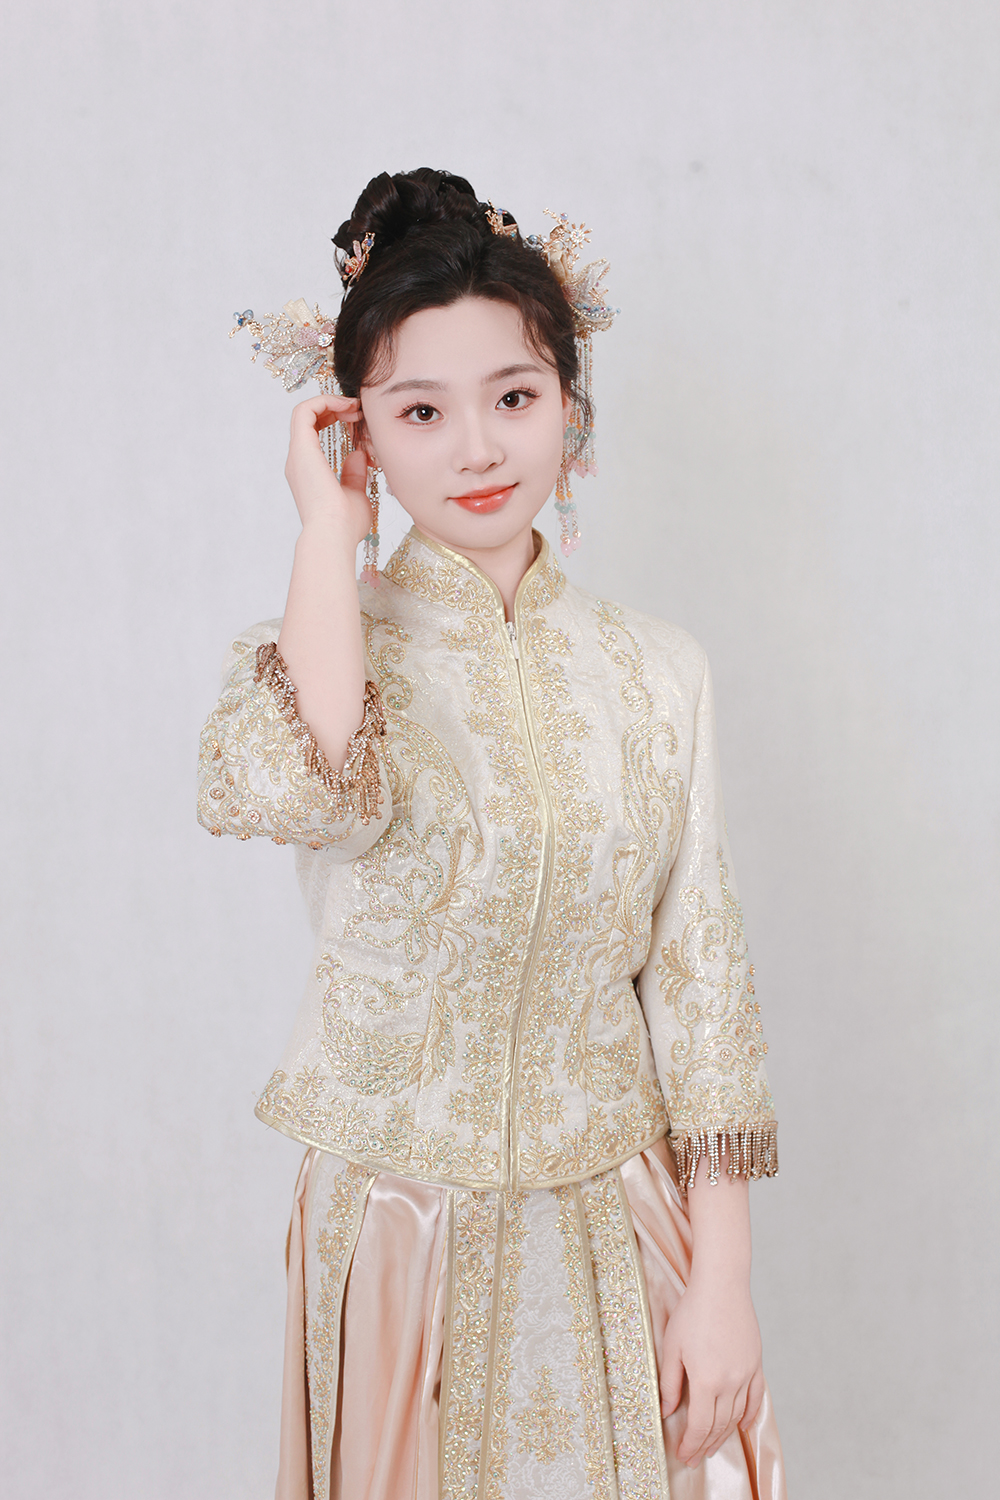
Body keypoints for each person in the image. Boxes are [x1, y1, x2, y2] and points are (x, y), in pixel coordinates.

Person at [199, 168, 786, 1500]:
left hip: (620, 1207)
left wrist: (725, 1285)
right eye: (421, 411)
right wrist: (327, 531)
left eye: (514, 398)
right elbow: (309, 784)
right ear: (358, 430)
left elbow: (700, 982)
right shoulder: (329, 656)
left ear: (571, 406)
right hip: (399, 1220)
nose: (477, 451)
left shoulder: (658, 672)